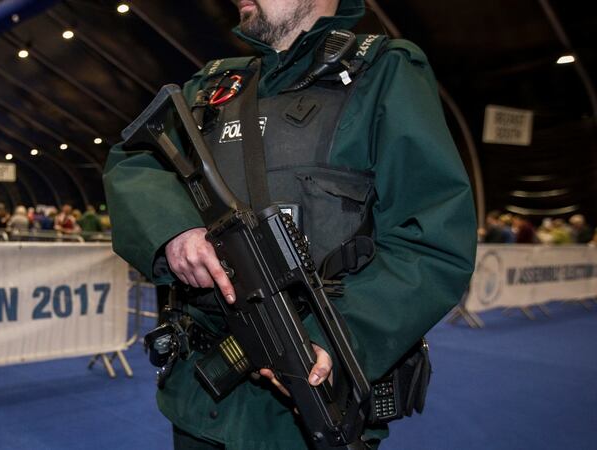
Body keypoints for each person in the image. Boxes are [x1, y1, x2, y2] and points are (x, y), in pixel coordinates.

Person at [103, 0, 476, 448]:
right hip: (201, 405)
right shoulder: (213, 83)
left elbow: (430, 242)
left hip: (309, 405)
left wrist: (336, 341)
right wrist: (174, 231)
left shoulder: (385, 73)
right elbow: (135, 158)